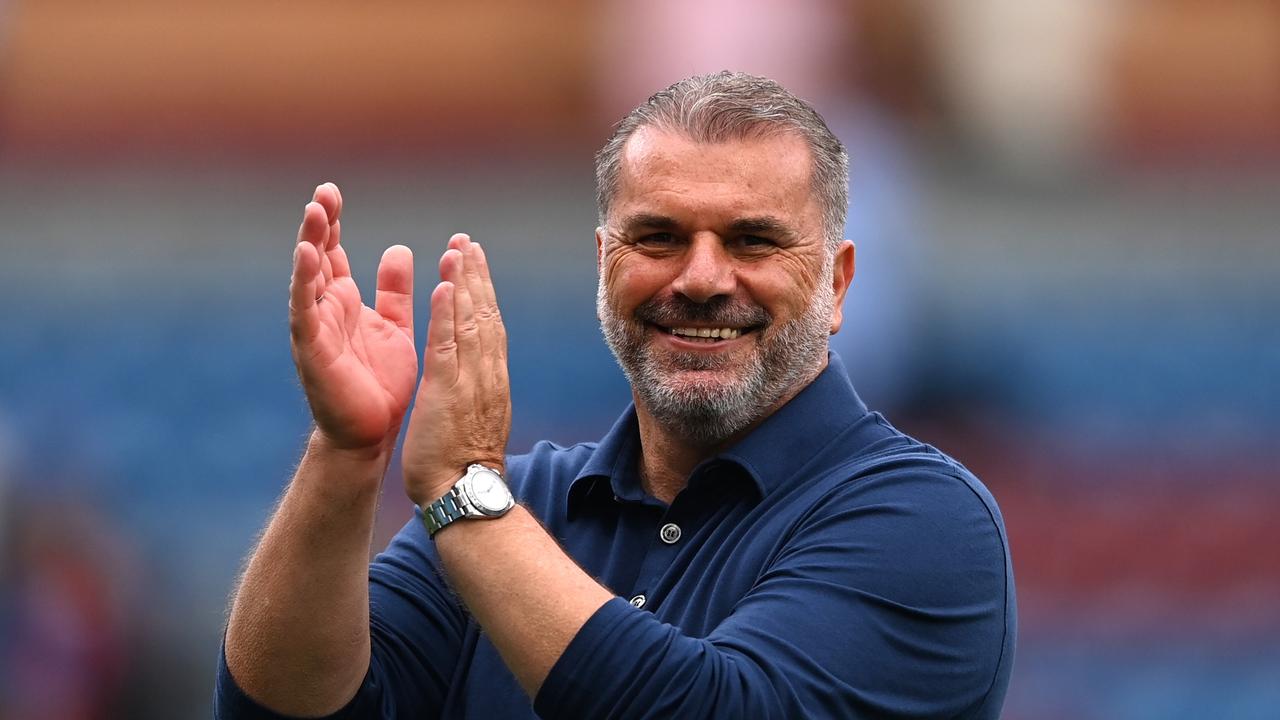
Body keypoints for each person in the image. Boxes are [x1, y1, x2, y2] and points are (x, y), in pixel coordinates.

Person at [215, 71, 1015, 719]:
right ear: (604, 263)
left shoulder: (925, 519)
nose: (701, 279)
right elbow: (285, 712)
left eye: (752, 241)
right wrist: (347, 452)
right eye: (659, 237)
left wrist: (463, 493)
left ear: (837, 285)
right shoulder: (521, 502)